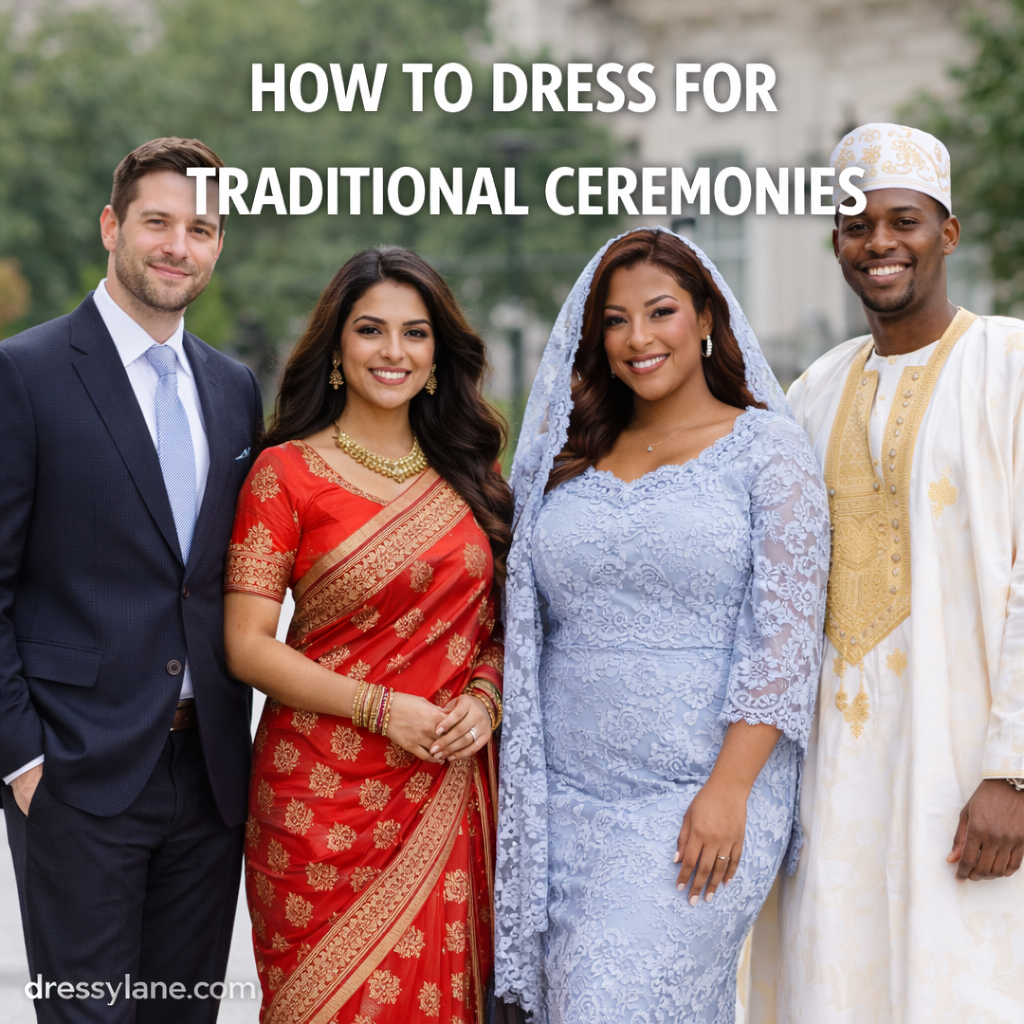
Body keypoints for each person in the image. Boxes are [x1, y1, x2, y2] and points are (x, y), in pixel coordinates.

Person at [493, 228, 830, 1023]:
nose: (638, 339)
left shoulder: (769, 453)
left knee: (608, 1002)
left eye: (661, 312)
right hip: (561, 805)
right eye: (615, 321)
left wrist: (729, 790)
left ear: (707, 317)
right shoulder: (569, 457)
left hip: (698, 797)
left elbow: (784, 640)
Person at [747, 125, 1024, 1023]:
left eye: (902, 221)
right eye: (855, 225)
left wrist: (1013, 774)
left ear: (947, 232)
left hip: (965, 771)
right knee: (839, 979)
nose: (878, 244)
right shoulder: (815, 388)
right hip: (837, 776)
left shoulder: (1011, 368)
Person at [0, 137, 263, 1022]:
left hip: (211, 775)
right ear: (113, 226)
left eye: (201, 228)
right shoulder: (24, 375)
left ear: (218, 245)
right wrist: (25, 761)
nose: (177, 245)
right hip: (77, 773)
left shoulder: (233, 390)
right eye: (157, 221)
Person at [223, 246, 512, 1024]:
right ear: (339, 351)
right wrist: (386, 710)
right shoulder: (284, 474)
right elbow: (248, 645)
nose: (394, 352)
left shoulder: (473, 479)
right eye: (371, 331)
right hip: (319, 803)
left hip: (448, 785)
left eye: (415, 334)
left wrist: (484, 701)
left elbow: (503, 629)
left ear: (438, 355)